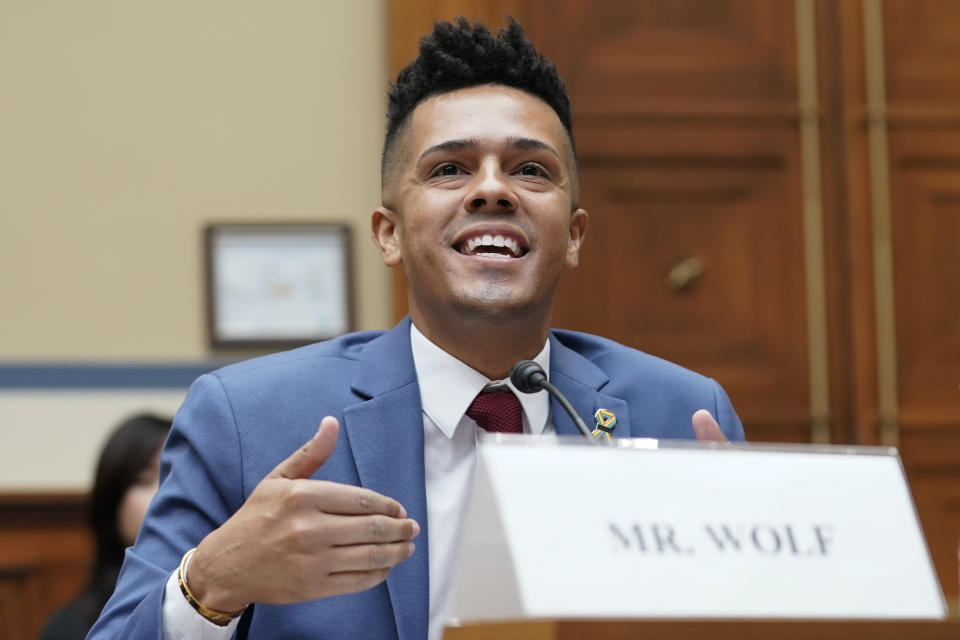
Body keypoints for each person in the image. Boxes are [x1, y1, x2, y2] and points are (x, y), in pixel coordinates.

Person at [88, 18, 744, 640]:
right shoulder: (246, 420)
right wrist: (213, 581)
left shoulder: (682, 417)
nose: (493, 191)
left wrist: (751, 587)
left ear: (573, 236)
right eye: (450, 168)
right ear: (390, 234)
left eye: (530, 170)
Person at [39, 413, 171, 640]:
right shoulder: (69, 627)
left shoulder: (236, 612)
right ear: (113, 498)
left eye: (175, 479)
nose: (163, 495)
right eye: (144, 480)